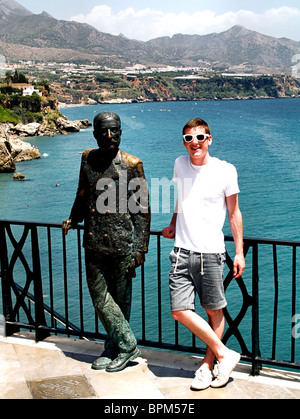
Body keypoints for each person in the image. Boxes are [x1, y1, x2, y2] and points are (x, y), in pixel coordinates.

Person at [62, 111, 151, 373]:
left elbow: (142, 210)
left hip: (123, 244)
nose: (110, 136)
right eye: (104, 131)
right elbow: (82, 192)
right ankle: (128, 345)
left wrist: (140, 248)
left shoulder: (132, 164)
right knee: (100, 298)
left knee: (120, 301)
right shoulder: (87, 158)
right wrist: (73, 217)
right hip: (93, 241)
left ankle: (114, 348)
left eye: (115, 130)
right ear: (95, 133)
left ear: (121, 131)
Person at [162, 118, 245, 390]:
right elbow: (180, 197)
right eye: (188, 139)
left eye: (199, 137)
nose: (194, 143)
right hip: (182, 250)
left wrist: (239, 252)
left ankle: (208, 366)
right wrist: (174, 222)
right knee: (179, 310)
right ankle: (225, 353)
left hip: (211, 253)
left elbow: (234, 214)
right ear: (184, 143)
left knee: (213, 310)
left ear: (209, 139)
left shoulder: (225, 170)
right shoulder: (179, 164)